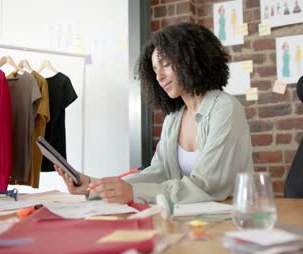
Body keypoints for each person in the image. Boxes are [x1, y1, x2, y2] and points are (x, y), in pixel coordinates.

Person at [55, 22, 253, 204]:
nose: (159, 76)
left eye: (166, 65)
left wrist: (132, 192)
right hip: (193, 221)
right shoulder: (174, 119)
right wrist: (94, 185)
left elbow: (207, 185)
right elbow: (158, 173)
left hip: (232, 220)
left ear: (191, 60)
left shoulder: (225, 109)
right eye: (154, 69)